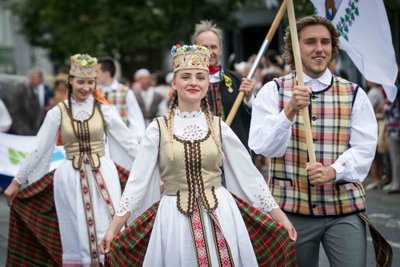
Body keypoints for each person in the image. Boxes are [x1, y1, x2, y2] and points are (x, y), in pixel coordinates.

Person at [99, 45, 297, 266]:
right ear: (174, 83)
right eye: (186, 76)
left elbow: (250, 177)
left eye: (200, 77)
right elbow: (137, 182)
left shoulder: (218, 126)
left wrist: (281, 219)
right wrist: (113, 228)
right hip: (174, 220)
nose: (193, 82)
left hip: (222, 212)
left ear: (206, 84)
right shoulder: (158, 128)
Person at [249, 16, 377, 267]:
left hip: (344, 209)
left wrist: (332, 171)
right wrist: (289, 112)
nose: (319, 48)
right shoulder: (273, 90)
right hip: (290, 210)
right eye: (310, 42)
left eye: (325, 42)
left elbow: (364, 149)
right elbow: (262, 146)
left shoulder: (354, 94)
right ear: (294, 48)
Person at [4, 54, 139, 266]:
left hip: (103, 172)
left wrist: (155, 169)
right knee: (77, 229)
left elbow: (129, 143)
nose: (85, 87)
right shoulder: (58, 112)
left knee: (109, 225)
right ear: (71, 81)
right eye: (80, 82)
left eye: (90, 82)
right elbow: (39, 149)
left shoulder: (104, 109)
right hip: (70, 179)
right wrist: (16, 182)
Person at [192, 20, 256, 151]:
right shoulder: (187, 83)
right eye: (204, 47)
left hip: (235, 152)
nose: (210, 52)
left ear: (220, 49)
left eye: (214, 47)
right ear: (195, 50)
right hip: (200, 153)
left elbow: (254, 116)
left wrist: (249, 98)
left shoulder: (237, 80)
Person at [96, 57, 146, 140]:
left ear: (106, 73)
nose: (95, 75)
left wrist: (137, 138)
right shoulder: (95, 91)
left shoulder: (125, 91)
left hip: (122, 139)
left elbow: (135, 116)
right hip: (101, 140)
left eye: (97, 72)